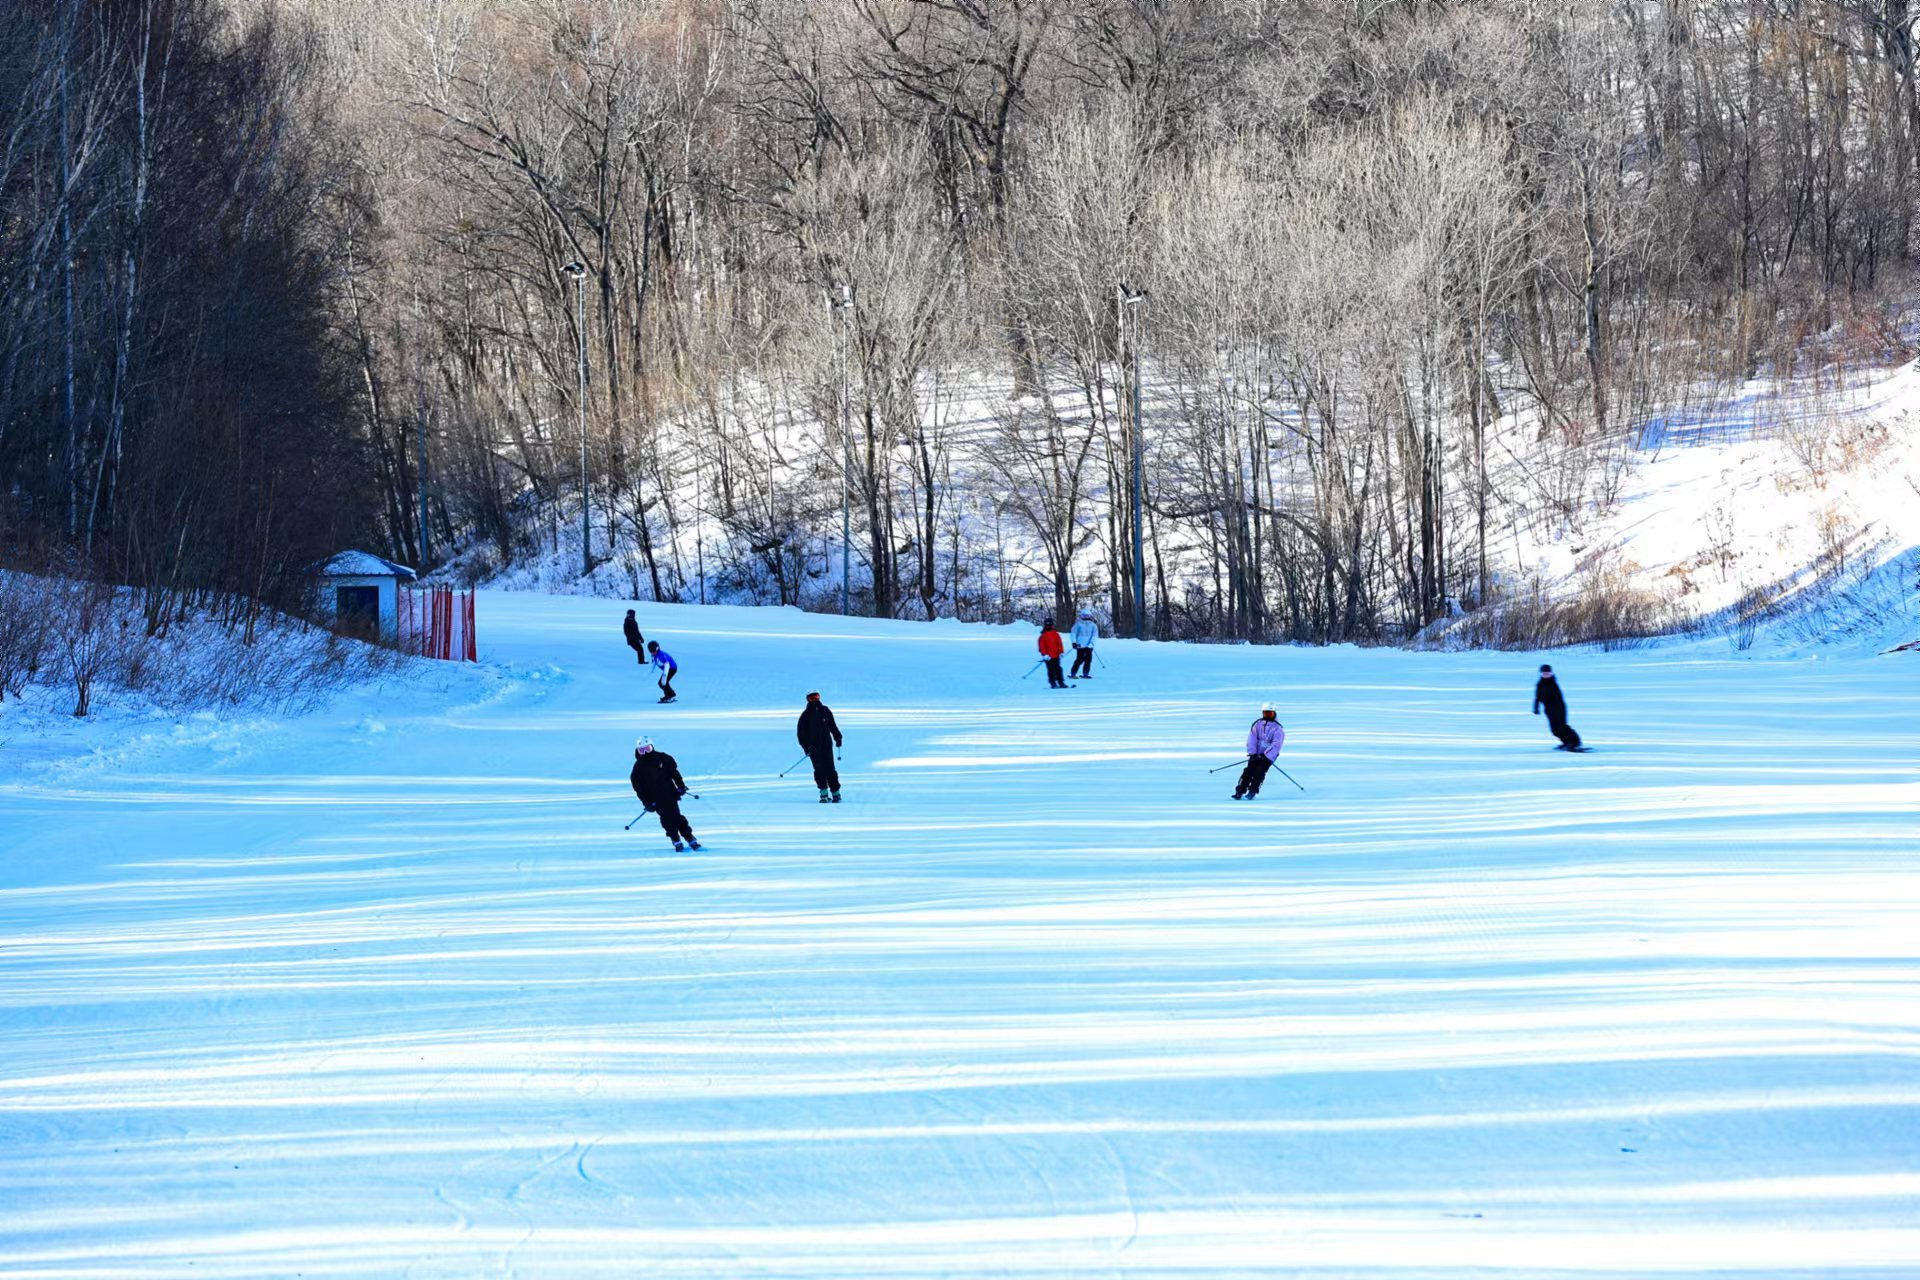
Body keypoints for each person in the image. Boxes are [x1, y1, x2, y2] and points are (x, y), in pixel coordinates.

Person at [630, 737, 700, 851]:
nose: (645, 753)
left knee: (676, 817)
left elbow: (674, 773)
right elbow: (639, 789)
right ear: (637, 751)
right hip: (655, 800)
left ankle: (688, 837)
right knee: (667, 819)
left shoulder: (663, 758)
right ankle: (676, 839)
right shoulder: (638, 767)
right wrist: (646, 802)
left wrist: (681, 786)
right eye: (642, 750)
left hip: (670, 795)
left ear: (652, 747)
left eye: (647, 749)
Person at [797, 691, 844, 803]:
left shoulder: (825, 711)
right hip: (814, 748)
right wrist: (807, 747)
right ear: (808, 700)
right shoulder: (805, 715)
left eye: (816, 697)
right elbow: (801, 735)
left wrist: (838, 737)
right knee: (819, 770)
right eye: (812, 698)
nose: (815, 700)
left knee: (830, 769)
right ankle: (823, 793)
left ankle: (835, 793)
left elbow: (832, 725)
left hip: (827, 745)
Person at [1233, 703, 1286, 799]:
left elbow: (1276, 745)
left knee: (1259, 772)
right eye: (1265, 714)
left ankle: (1253, 790)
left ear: (1274, 714)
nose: (1267, 716)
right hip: (1255, 755)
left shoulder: (1278, 729)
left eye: (1269, 714)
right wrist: (1252, 753)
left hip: (1268, 757)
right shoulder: (1257, 725)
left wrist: (1266, 755)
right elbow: (1251, 739)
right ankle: (1240, 790)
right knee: (1248, 771)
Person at [1533, 664, 1584, 750]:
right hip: (1549, 710)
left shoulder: (1553, 684)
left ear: (1551, 674)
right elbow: (1537, 697)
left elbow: (1558, 700)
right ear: (1541, 674)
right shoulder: (1540, 685)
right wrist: (1536, 707)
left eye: (1548, 673)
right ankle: (1566, 742)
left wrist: (1557, 710)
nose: (1546, 675)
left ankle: (1575, 742)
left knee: (1562, 727)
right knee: (1554, 730)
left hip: (1559, 709)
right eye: (1544, 674)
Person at [1069, 609, 1098, 680]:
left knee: (1088, 660)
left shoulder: (1093, 625)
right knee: (1079, 659)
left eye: (1087, 616)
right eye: (1084, 616)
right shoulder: (1078, 624)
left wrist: (1091, 643)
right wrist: (1074, 642)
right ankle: (1073, 673)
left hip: (1089, 646)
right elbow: (1073, 633)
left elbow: (1095, 635)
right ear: (1081, 616)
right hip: (1080, 645)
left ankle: (1086, 673)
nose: (1086, 617)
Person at [1038, 619, 1067, 689]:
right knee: (1051, 670)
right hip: (1048, 657)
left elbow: (1059, 643)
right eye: (1047, 625)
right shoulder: (1043, 635)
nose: (1048, 626)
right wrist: (1044, 654)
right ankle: (1052, 683)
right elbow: (1041, 646)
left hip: (1056, 655)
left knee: (1058, 669)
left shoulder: (1055, 634)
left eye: (1050, 625)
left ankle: (1061, 682)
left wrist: (1061, 652)